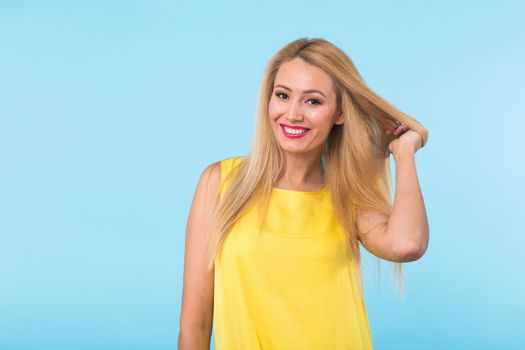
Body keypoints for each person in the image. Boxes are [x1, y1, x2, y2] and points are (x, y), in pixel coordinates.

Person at [179, 37, 429, 349]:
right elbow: (195, 325)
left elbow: (406, 244)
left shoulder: (348, 194)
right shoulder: (220, 183)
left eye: (313, 101)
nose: (293, 114)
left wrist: (403, 152)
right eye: (283, 95)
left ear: (339, 112)